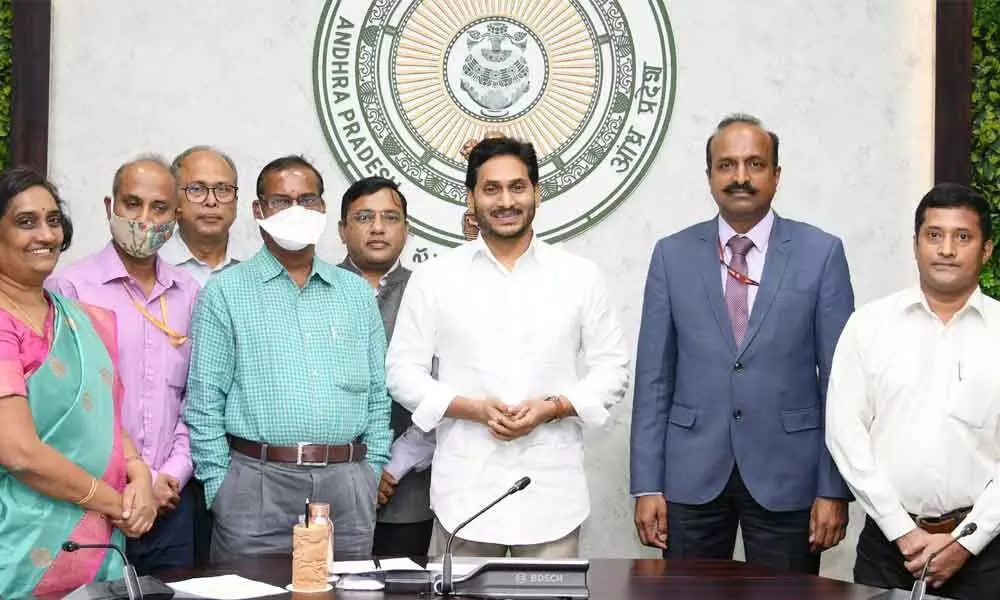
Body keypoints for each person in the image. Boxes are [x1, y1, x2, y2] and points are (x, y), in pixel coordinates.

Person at [630, 114, 854, 574]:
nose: (741, 177)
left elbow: (841, 382)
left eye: (755, 164)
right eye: (727, 165)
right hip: (690, 477)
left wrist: (832, 487)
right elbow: (654, 378)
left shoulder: (821, 253)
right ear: (710, 175)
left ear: (776, 174)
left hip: (789, 475)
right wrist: (647, 485)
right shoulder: (671, 255)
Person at [387, 136, 629, 557]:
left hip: (552, 495)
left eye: (517, 187)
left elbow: (613, 372)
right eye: (491, 188)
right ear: (472, 197)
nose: (506, 201)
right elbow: (402, 373)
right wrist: (473, 408)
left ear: (537, 192)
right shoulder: (436, 278)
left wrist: (552, 407)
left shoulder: (578, 276)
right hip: (464, 496)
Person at [185, 155, 392, 560]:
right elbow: (203, 402)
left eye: (307, 200)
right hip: (256, 486)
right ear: (258, 211)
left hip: (347, 488)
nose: (296, 211)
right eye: (281, 201)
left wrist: (371, 472)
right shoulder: (225, 292)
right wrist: (220, 487)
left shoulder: (354, 294)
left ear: (323, 209)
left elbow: (378, 396)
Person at [826, 183, 1000, 598]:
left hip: (985, 552)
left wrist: (966, 541)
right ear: (915, 244)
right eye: (934, 235)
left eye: (963, 237)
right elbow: (844, 433)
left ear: (987, 249)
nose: (946, 249)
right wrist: (903, 531)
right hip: (887, 548)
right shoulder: (870, 325)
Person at [0, 168, 155, 598]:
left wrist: (138, 473)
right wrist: (113, 501)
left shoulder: (79, 318)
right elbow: (17, 451)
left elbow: (102, 417)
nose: (46, 234)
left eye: (53, 221)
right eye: (25, 221)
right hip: (17, 543)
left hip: (98, 544)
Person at [46, 156, 200, 573]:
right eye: (132, 204)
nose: (144, 218)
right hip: (96, 502)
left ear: (177, 216)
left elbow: (197, 398)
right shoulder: (70, 287)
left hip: (172, 502)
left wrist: (171, 474)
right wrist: (134, 482)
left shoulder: (189, 293)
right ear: (109, 206)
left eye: (159, 208)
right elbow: (68, 407)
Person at [337, 176, 435, 557]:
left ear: (406, 230)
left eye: (390, 218)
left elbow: (447, 387)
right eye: (364, 217)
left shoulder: (430, 290)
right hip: (326, 487)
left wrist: (391, 467)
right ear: (343, 230)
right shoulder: (314, 286)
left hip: (408, 494)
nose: (378, 228)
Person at [160, 146, 244, 285]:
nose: (211, 201)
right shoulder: (152, 264)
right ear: (174, 198)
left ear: (236, 200)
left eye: (223, 189)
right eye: (196, 189)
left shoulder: (257, 263)